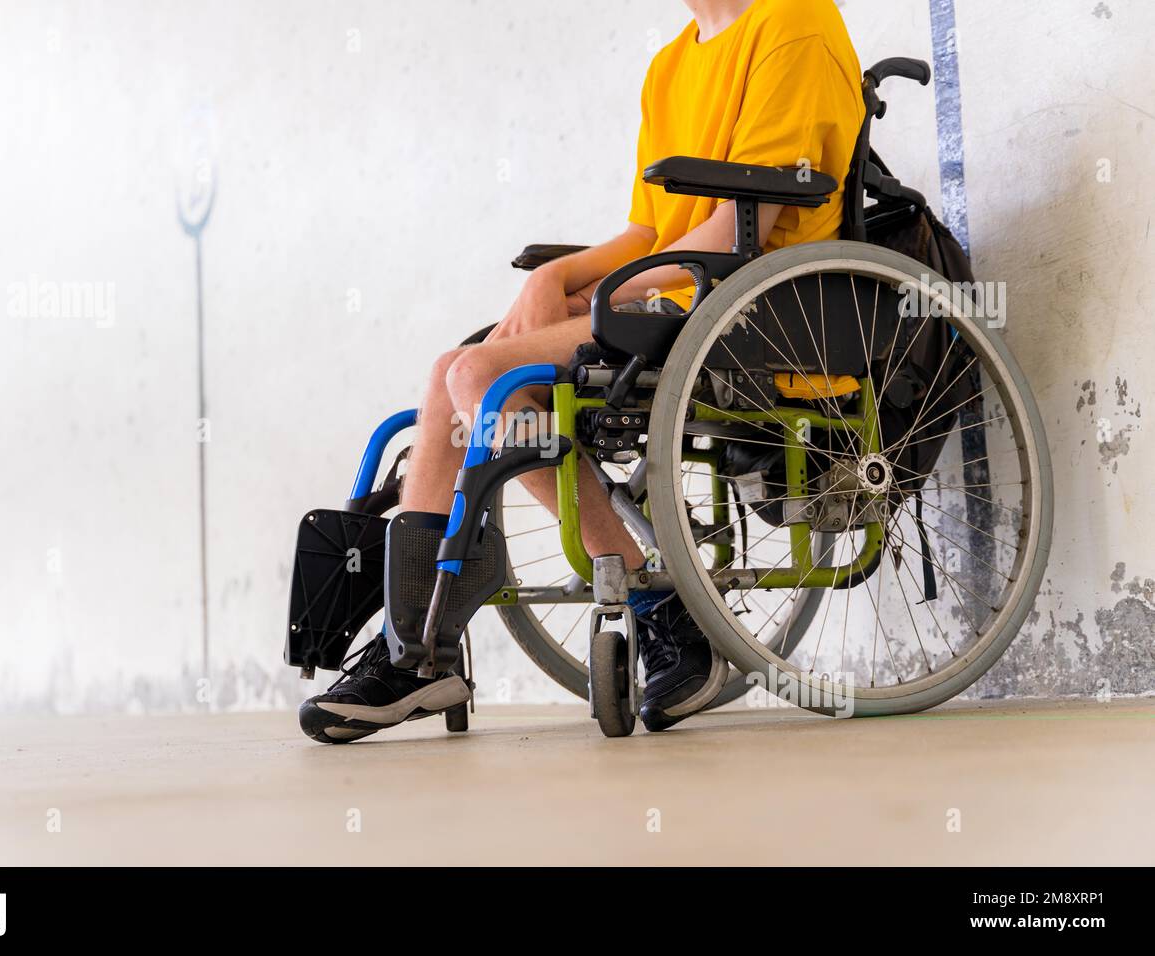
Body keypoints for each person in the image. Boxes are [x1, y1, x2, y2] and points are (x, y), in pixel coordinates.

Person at [300, 0, 865, 743]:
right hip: (681, 291)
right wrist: (556, 278)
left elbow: (736, 226)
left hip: (758, 305)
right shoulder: (673, 64)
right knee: (453, 371)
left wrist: (593, 296)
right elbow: (647, 230)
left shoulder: (795, 20)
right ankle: (418, 644)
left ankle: (660, 611)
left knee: (478, 377)